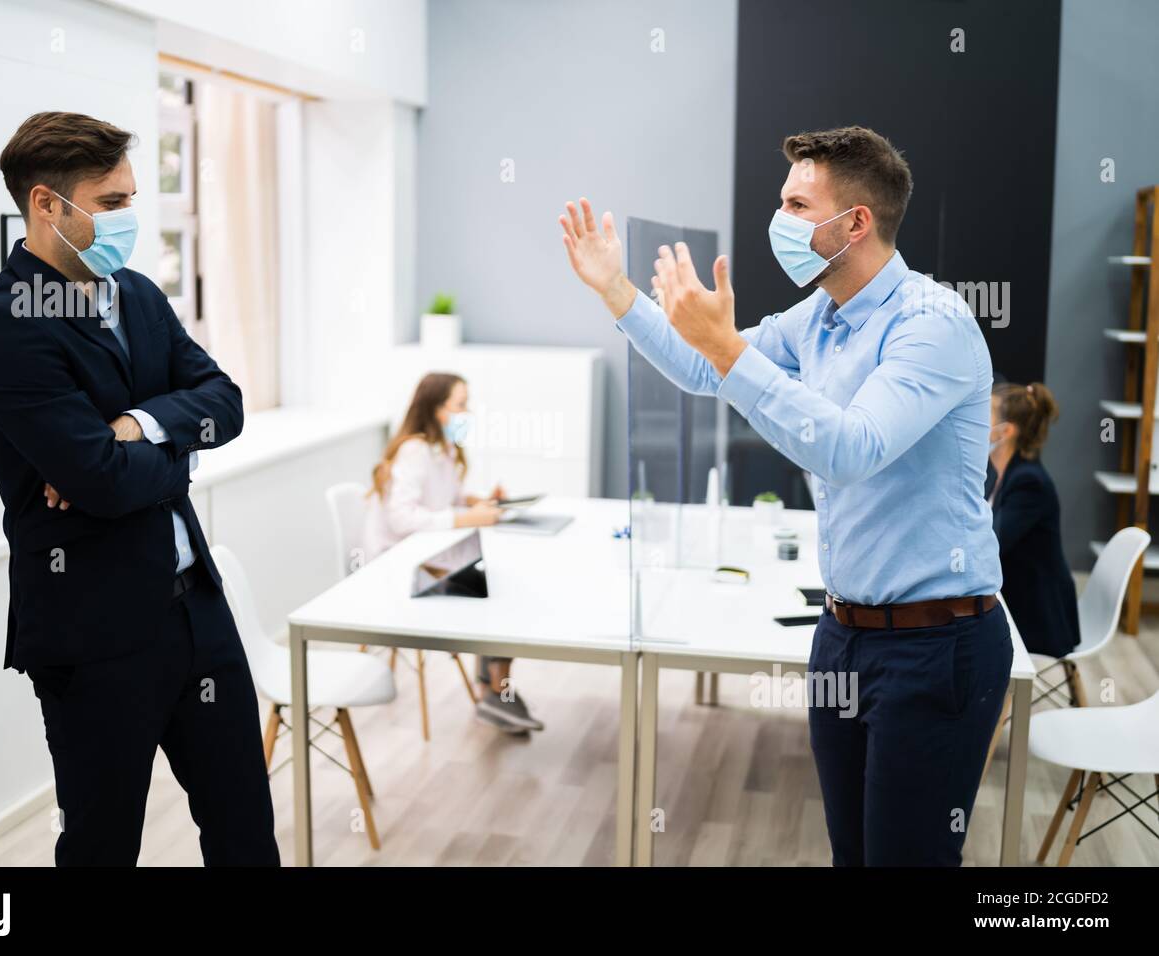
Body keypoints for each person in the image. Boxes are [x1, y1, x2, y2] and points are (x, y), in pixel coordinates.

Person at [559, 126, 1012, 866]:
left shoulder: (933, 326)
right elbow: (707, 371)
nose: (780, 220)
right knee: (851, 854)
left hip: (939, 644)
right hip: (843, 633)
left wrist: (730, 348)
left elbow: (849, 449)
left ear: (855, 222)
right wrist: (617, 290)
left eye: (797, 204)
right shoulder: (819, 318)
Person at [0, 112, 278, 866]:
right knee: (102, 847)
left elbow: (225, 401)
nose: (127, 219)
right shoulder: (5, 327)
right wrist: (169, 452)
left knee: (244, 830)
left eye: (131, 198)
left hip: (197, 610)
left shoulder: (136, 294)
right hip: (95, 635)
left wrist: (137, 425)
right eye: (110, 204)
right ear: (45, 204)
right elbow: (101, 486)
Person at [363, 372, 545, 734]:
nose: (467, 412)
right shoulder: (414, 451)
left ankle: (494, 691)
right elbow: (403, 517)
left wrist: (476, 500)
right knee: (501, 595)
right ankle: (498, 693)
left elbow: (442, 499)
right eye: (460, 405)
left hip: (426, 559)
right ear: (436, 409)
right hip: (397, 569)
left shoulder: (441, 449)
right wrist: (467, 516)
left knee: (500, 583)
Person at [988, 382, 1080, 660]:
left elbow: (993, 544)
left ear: (1007, 431)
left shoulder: (1029, 482)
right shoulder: (1007, 474)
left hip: (1038, 618)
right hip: (1021, 600)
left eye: (985, 415)